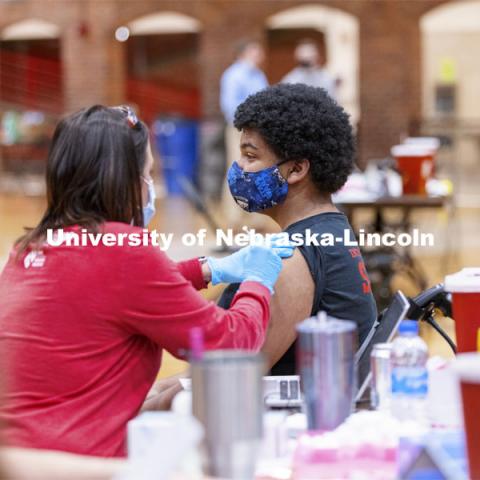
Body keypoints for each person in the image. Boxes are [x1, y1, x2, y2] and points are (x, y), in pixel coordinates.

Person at [0, 105, 294, 457]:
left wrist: (209, 269)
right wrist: (258, 281)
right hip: (85, 459)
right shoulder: (124, 252)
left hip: (29, 454)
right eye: (147, 175)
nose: (150, 188)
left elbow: (117, 292)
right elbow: (228, 344)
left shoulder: (31, 248)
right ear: (124, 181)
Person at [218, 83, 377, 374]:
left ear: (296, 170)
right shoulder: (331, 225)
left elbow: (230, 376)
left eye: (250, 156)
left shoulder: (292, 259)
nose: (239, 167)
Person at [219, 39, 271, 231]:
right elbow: (229, 106)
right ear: (244, 53)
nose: (260, 56)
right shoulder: (233, 75)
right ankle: (234, 219)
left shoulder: (258, 75)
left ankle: (256, 218)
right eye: (256, 51)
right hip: (240, 129)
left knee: (258, 170)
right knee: (237, 169)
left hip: (259, 131)